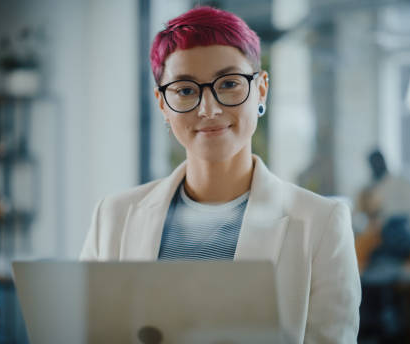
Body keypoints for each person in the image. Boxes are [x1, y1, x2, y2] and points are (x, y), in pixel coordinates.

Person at [80, 6, 360, 343]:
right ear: (162, 105)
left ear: (261, 90)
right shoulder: (113, 216)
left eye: (228, 84)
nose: (208, 108)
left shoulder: (322, 223)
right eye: (185, 90)